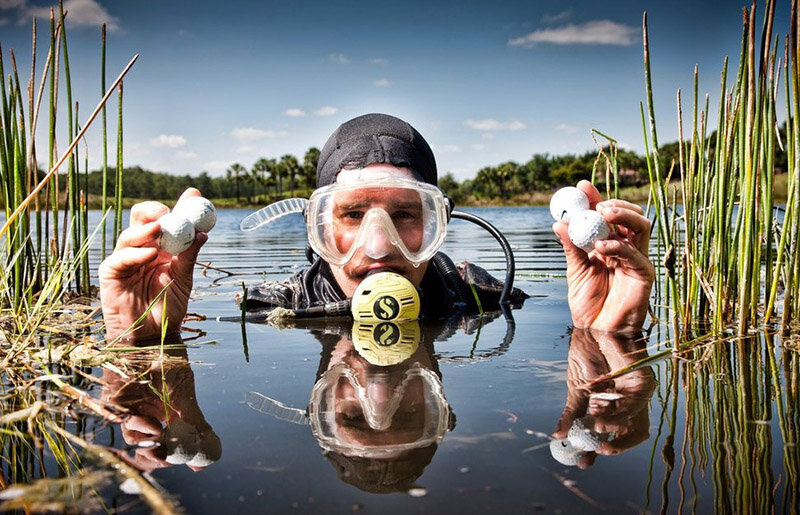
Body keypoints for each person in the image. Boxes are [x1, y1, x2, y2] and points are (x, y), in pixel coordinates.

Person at [98, 113, 654, 340]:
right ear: (319, 225)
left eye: (406, 214)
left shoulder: (484, 298)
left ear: (438, 222)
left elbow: (605, 343)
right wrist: (141, 344)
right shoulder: (266, 306)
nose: (380, 246)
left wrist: (607, 337)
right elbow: (142, 346)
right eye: (353, 213)